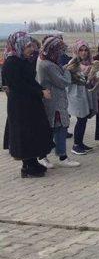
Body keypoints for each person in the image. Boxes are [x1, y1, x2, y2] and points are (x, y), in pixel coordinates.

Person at [2, 32, 54, 178]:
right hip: (20, 106)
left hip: (30, 103)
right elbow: (19, 86)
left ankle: (32, 161)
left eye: (31, 45)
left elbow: (30, 81)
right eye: (27, 46)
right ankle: (27, 166)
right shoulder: (11, 63)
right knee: (25, 133)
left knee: (33, 132)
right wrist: (40, 93)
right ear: (18, 46)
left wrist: (41, 90)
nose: (31, 49)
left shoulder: (23, 60)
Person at [36, 36, 81, 169]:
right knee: (55, 129)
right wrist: (67, 70)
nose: (61, 53)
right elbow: (62, 82)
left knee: (59, 128)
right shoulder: (47, 64)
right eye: (59, 50)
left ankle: (60, 155)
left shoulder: (49, 61)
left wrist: (64, 68)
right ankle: (45, 156)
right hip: (53, 103)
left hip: (56, 101)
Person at [67, 40, 98, 155]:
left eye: (86, 50)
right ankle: (76, 145)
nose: (83, 53)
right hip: (77, 94)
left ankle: (80, 143)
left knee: (85, 118)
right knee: (81, 118)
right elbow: (73, 79)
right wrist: (86, 74)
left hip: (88, 93)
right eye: (81, 50)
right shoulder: (73, 63)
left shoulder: (90, 62)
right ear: (76, 51)